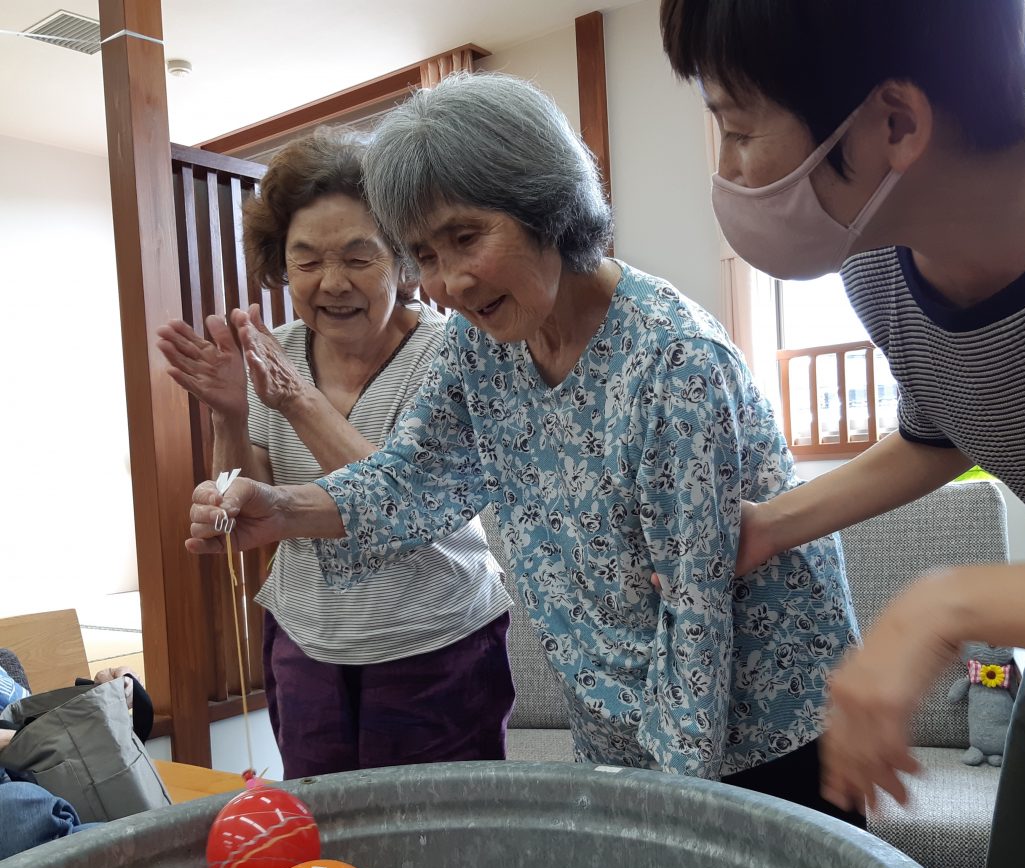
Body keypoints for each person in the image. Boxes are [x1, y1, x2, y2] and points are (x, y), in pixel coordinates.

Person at [184, 73, 861, 818]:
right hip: (623, 723)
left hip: (763, 730)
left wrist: (673, 813)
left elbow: (697, 614)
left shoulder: (673, 364)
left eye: (466, 238)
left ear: (547, 206)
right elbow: (413, 480)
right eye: (425, 256)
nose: (447, 283)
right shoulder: (485, 345)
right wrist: (282, 508)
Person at [659, 0, 1025, 868]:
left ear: (896, 122)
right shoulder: (878, 256)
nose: (728, 173)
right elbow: (943, 428)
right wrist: (765, 528)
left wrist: (947, 605)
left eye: (737, 129)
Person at [157, 132, 514, 780]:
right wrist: (230, 415)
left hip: (437, 647)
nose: (332, 284)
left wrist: (296, 401)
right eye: (307, 261)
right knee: (320, 843)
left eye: (358, 257)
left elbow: (407, 500)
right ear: (280, 266)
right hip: (306, 644)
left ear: (405, 261)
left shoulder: (452, 354)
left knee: (440, 854)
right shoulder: (275, 351)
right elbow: (254, 491)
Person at [1, 663, 138, 858]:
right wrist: (23, 738)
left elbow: (33, 718)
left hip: (51, 778)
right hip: (22, 798)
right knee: (19, 803)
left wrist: (102, 692)